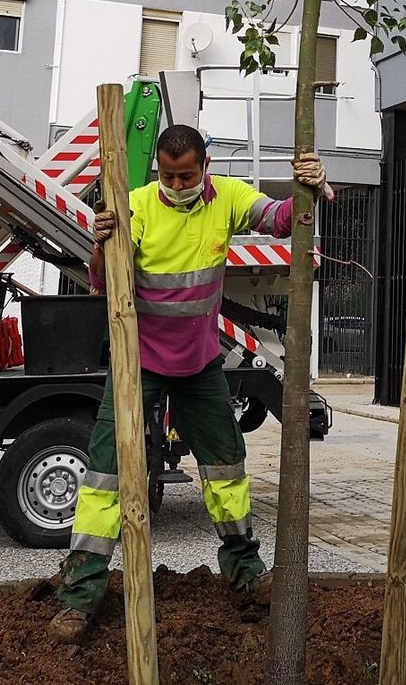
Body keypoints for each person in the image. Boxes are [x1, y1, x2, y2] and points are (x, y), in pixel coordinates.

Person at [50, 125, 329, 640]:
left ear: (206, 167)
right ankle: (81, 592)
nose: (177, 185)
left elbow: (280, 219)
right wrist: (102, 245)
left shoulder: (228, 198)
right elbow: (103, 281)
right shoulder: (135, 206)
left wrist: (307, 186)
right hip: (138, 362)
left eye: (187, 175)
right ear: (158, 169)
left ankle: (244, 569)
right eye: (169, 175)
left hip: (199, 363)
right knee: (106, 471)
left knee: (226, 464)